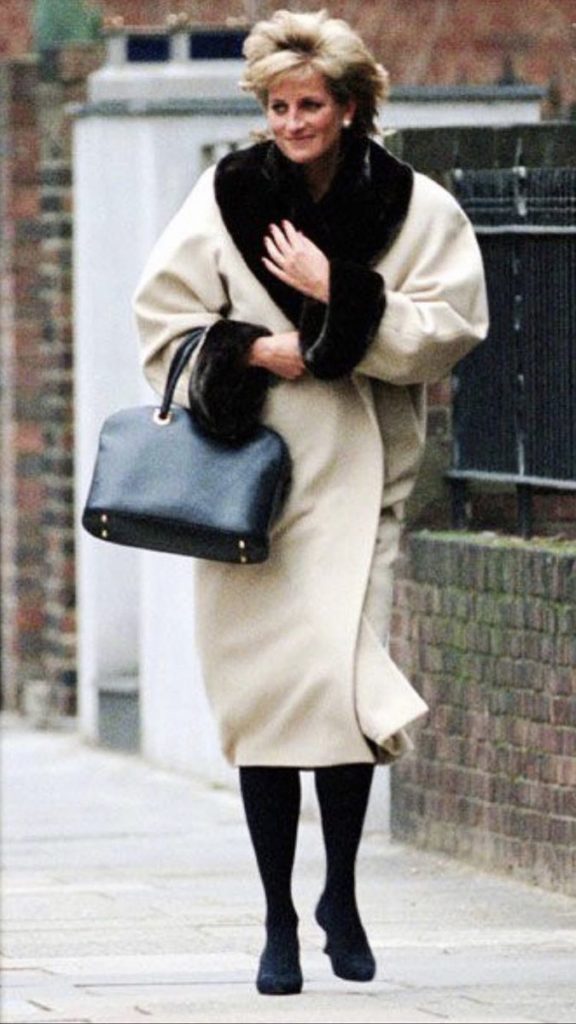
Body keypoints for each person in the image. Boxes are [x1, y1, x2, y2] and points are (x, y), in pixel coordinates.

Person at [133, 8, 488, 997]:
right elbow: (163, 320)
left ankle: (340, 894)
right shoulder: (227, 195)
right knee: (263, 705)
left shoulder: (414, 206)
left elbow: (452, 325)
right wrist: (256, 350)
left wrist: (341, 296)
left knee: (340, 699)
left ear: (350, 107)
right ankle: (278, 921)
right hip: (246, 482)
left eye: (311, 106)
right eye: (279, 107)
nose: (293, 123)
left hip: (360, 482)